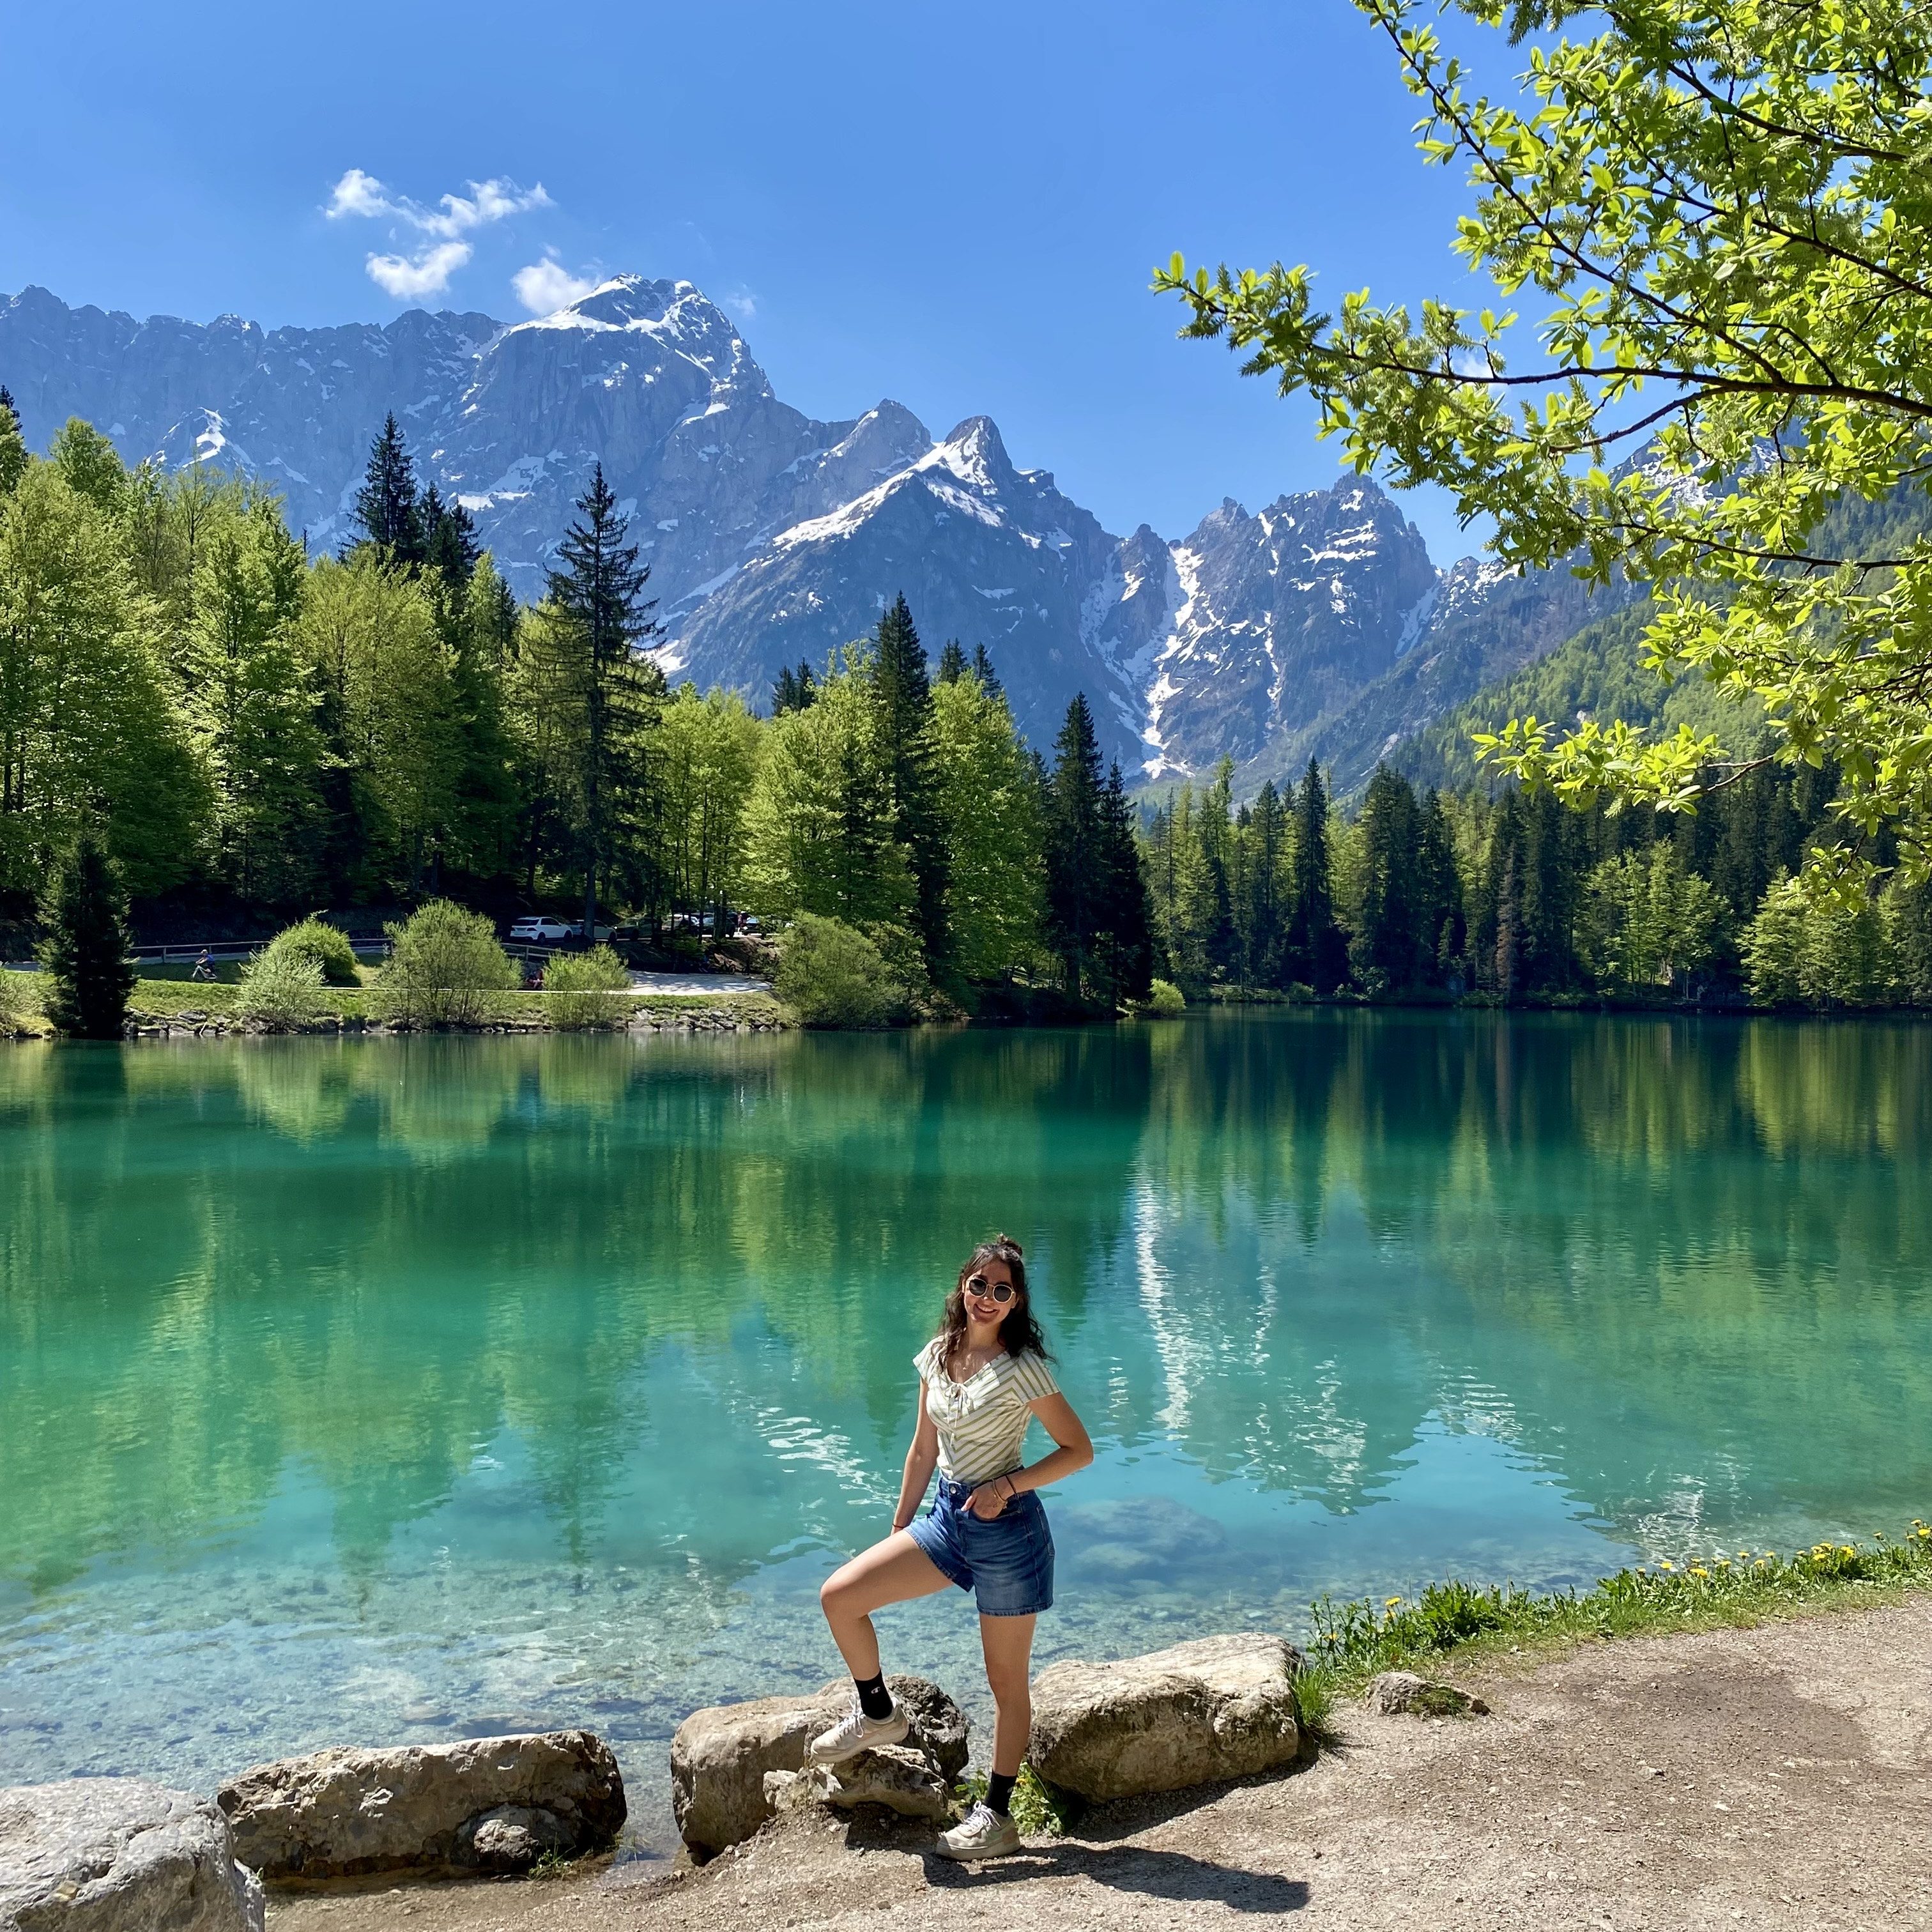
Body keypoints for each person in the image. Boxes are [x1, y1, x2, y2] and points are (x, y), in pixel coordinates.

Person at [811, 1235, 1094, 1860]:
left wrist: (1007, 1485)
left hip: (1009, 1532)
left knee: (1005, 1683)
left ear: (1015, 1303)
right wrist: (899, 1529)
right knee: (841, 1596)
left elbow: (1079, 1450)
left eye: (1002, 1291)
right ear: (961, 1288)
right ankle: (879, 1712)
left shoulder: (1025, 1370)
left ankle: (997, 1814)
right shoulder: (938, 1356)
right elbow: (921, 1451)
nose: (987, 1298)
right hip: (944, 1519)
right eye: (978, 1285)